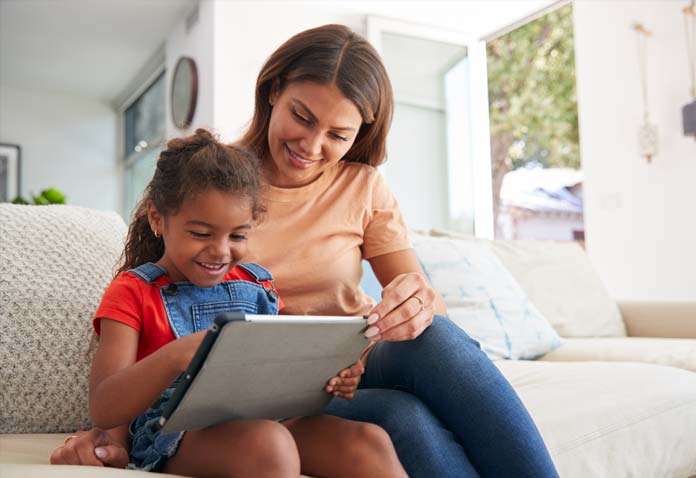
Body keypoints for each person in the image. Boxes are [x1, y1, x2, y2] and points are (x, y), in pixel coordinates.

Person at [52, 24, 559, 478]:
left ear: (360, 133)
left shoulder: (364, 186)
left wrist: (416, 302)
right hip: (278, 383)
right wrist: (113, 435)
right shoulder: (214, 183)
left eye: (338, 134)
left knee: (439, 337)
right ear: (274, 91)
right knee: (406, 419)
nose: (312, 146)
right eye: (302, 116)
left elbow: (423, 309)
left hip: (357, 359)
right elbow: (153, 307)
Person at [73, 128, 406, 477]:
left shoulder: (256, 286)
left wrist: (332, 376)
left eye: (238, 235)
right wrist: (179, 355)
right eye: (201, 233)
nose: (220, 250)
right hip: (172, 433)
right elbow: (104, 405)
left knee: (369, 441)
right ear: (158, 219)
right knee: (269, 445)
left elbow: (277, 374)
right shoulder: (132, 291)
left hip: (265, 419)